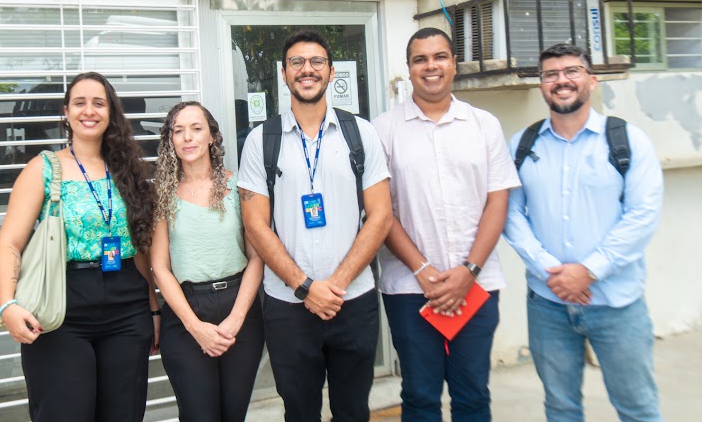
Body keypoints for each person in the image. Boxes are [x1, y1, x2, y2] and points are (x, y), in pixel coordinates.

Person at [237, 29, 393, 422]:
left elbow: (381, 215)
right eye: (297, 63)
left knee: (353, 410)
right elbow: (256, 225)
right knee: (299, 411)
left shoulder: (361, 133)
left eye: (316, 62)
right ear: (284, 73)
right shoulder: (261, 140)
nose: (307, 70)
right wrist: (305, 286)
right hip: (288, 305)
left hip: (352, 300)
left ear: (331, 71)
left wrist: (334, 285)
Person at [504, 43, 664, 422]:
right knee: (560, 407)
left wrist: (588, 270)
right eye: (551, 74)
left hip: (617, 304)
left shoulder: (627, 140)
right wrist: (551, 271)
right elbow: (510, 215)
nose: (562, 81)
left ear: (591, 80)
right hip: (548, 302)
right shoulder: (523, 145)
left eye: (571, 71)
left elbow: (643, 215)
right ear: (541, 85)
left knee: (638, 407)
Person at [0, 72, 160, 422]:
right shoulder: (44, 168)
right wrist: (7, 303)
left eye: (99, 103)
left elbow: (139, 246)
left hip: (127, 306)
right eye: (80, 103)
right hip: (61, 305)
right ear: (66, 112)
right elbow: (9, 242)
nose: (89, 111)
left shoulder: (126, 169)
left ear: (111, 112)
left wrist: (153, 308)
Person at [371, 27, 521, 422]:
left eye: (439, 57)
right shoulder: (383, 129)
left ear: (454, 64)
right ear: (408, 69)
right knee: (420, 396)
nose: (431, 66)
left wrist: (468, 271)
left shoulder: (483, 124)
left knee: (472, 393)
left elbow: (497, 200)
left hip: (478, 284)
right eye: (420, 59)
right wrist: (422, 270)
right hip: (409, 289)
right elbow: (381, 211)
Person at [149, 101, 265, 422]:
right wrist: (194, 327)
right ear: (170, 140)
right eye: (178, 130)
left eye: (196, 128)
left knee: (233, 414)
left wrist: (236, 319)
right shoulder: (162, 195)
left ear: (212, 136)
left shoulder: (240, 187)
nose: (188, 137)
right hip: (187, 311)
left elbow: (257, 258)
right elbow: (160, 267)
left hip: (239, 307)